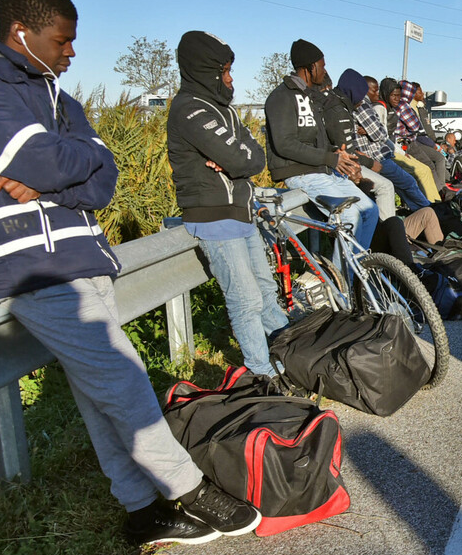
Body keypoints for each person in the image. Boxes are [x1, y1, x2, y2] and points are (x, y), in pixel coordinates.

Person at [0, 0, 259, 545]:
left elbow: (105, 177)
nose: (71, 52)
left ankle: (141, 511)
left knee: (98, 389)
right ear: (21, 32)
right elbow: (42, 159)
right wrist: (68, 166)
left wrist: (62, 176)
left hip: (78, 252)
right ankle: (188, 491)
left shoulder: (54, 96)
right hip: (32, 262)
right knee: (121, 376)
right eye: (62, 40)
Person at [167, 30, 289, 378]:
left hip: (242, 212)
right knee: (246, 300)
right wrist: (237, 159)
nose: (230, 78)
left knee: (266, 291)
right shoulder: (189, 109)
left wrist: (237, 158)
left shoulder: (224, 111)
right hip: (213, 217)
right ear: (206, 71)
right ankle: (264, 374)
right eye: (224, 71)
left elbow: (253, 158)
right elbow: (241, 159)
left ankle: (291, 354)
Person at [264, 40, 377, 249]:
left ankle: (361, 269)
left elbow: (317, 142)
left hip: (322, 169)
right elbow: (285, 145)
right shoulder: (281, 97)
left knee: (369, 210)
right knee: (351, 214)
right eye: (323, 66)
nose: (325, 71)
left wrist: (337, 155)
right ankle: (346, 280)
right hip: (301, 173)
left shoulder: (310, 98)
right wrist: (330, 158)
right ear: (311, 67)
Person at [316, 70, 399, 221]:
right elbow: (344, 150)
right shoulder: (338, 111)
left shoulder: (340, 105)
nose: (361, 102)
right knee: (386, 186)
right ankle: (387, 234)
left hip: (340, 160)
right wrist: (367, 162)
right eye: (360, 98)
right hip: (338, 166)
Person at [348, 73, 432, 211]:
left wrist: (372, 130)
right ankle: (427, 210)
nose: (377, 93)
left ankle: (422, 210)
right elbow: (380, 134)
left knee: (407, 180)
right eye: (374, 90)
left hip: (381, 153)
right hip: (378, 157)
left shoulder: (371, 105)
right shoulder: (365, 106)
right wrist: (376, 130)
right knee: (410, 180)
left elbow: (380, 132)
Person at [368, 77, 440, 202]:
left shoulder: (389, 108)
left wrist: (402, 152)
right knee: (421, 172)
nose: (397, 98)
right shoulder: (380, 108)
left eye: (398, 95)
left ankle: (433, 202)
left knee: (424, 170)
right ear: (386, 94)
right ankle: (429, 205)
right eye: (394, 95)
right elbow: (382, 137)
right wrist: (400, 152)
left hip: (394, 149)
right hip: (385, 153)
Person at [394, 79, 448, 190]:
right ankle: (439, 192)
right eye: (416, 92)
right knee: (432, 164)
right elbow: (417, 129)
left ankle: (440, 189)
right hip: (411, 143)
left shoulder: (414, 106)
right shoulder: (406, 106)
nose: (422, 94)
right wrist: (434, 145)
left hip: (411, 142)